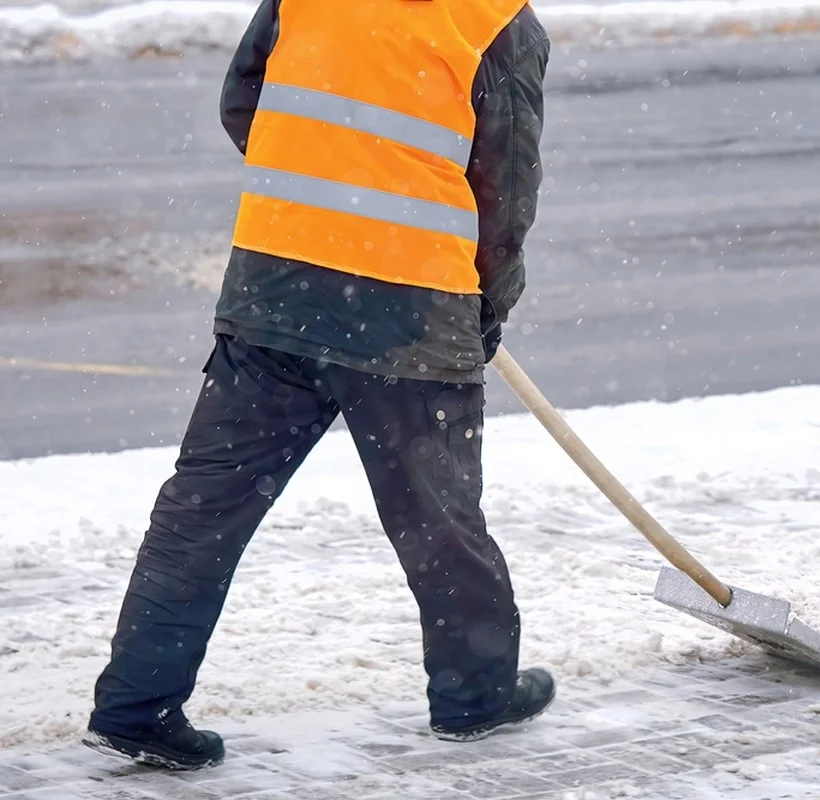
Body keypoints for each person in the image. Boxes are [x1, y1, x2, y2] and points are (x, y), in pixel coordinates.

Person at [82, 0, 553, 771]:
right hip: (409, 308)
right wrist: (488, 301)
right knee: (437, 519)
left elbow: (244, 102)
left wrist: (322, 191)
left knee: (205, 508)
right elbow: (504, 187)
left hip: (275, 285)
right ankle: (477, 696)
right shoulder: (497, 21)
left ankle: (138, 704)